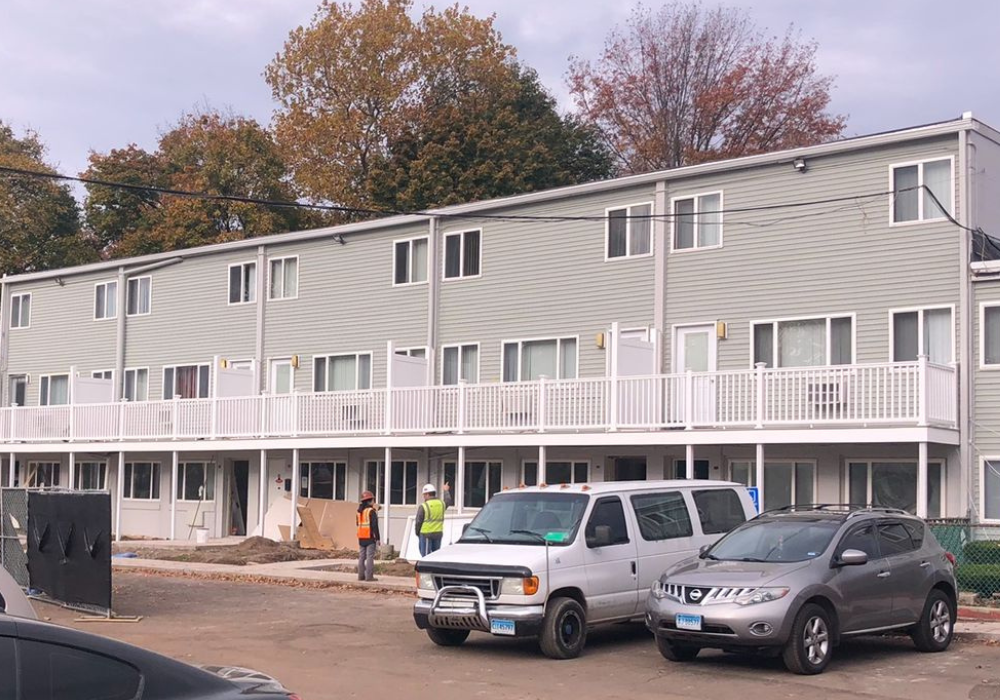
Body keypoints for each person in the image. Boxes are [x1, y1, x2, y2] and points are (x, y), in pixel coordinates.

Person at [415, 482, 452, 557]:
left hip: (426, 534)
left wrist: (417, 533)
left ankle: (426, 569)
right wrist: (446, 490)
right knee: (436, 555)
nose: (424, 497)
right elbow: (448, 500)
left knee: (426, 556)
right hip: (438, 533)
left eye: (424, 495)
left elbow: (418, 522)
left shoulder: (424, 506)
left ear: (427, 494)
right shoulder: (441, 504)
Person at [356, 490, 379, 582]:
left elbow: (357, 524)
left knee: (361, 557)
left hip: (361, 537)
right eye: (373, 500)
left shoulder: (359, 512)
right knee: (370, 557)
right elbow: (375, 526)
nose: (374, 501)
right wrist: (377, 538)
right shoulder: (371, 511)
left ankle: (360, 576)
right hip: (369, 538)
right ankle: (369, 577)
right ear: (369, 501)